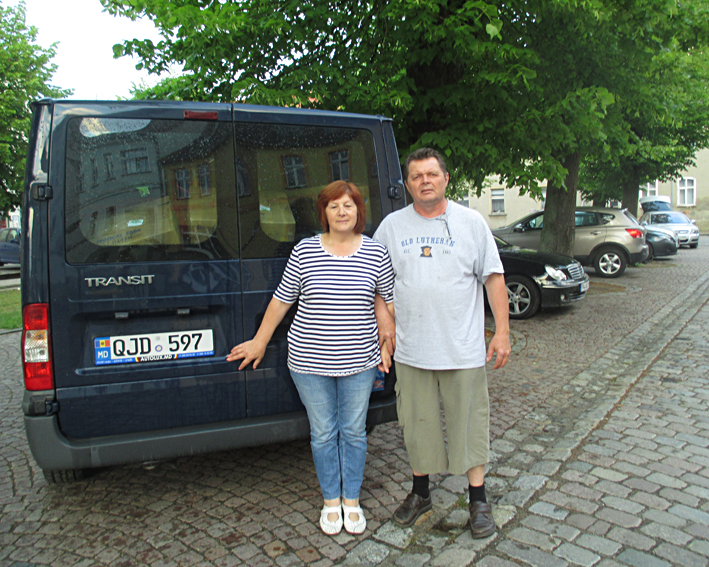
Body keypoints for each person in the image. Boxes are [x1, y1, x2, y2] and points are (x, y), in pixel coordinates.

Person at [227, 181, 395, 536]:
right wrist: (260, 342)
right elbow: (281, 301)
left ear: (358, 211)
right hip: (309, 363)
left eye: (348, 205)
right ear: (324, 213)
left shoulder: (376, 252)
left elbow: (385, 299)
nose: (342, 212)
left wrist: (387, 340)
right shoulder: (305, 252)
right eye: (334, 206)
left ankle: (352, 500)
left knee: (353, 432)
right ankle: (330, 501)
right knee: (322, 433)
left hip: (359, 362)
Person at [373, 147, 510, 538]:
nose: (425, 181)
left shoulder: (470, 222)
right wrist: (385, 323)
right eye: (416, 176)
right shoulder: (392, 227)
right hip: (412, 350)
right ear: (407, 184)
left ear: (446, 179)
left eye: (432, 174)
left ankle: (478, 499)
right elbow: (378, 284)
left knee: (469, 423)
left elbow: (494, 278)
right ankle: (421, 494)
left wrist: (502, 331)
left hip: (463, 348)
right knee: (417, 425)